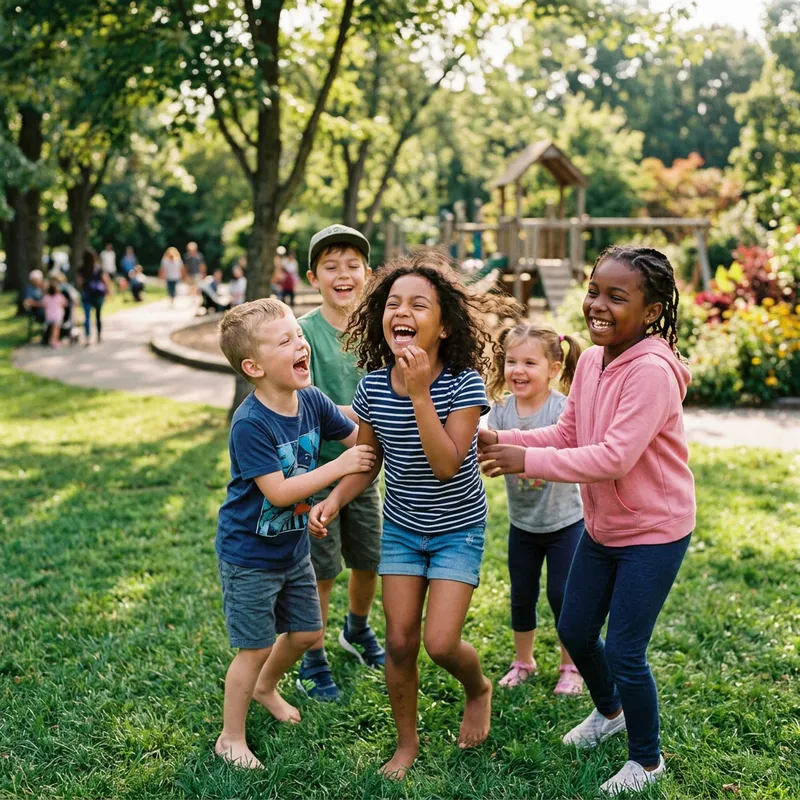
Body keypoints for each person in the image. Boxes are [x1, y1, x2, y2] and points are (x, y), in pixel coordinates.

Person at [479, 246, 695, 797]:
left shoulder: (650, 373)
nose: (597, 305)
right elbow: (570, 435)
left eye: (616, 297)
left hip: (654, 531)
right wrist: (504, 438)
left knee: (625, 649)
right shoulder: (595, 361)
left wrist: (524, 460)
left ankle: (647, 761)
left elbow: (612, 457)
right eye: (594, 290)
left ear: (651, 311)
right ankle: (610, 712)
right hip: (604, 528)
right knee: (575, 629)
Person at [308, 252, 518, 779]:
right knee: (400, 641)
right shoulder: (374, 386)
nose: (403, 310)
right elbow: (367, 459)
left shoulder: (463, 383)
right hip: (402, 528)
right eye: (394, 303)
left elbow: (448, 465)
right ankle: (406, 743)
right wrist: (334, 498)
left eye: (419, 304)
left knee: (440, 643)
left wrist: (421, 392)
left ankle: (479, 688)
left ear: (443, 326)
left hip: (457, 530)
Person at [214, 298, 377, 769]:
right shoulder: (250, 423)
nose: (300, 343)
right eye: (284, 341)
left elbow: (358, 439)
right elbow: (280, 492)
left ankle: (266, 686)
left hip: (291, 549)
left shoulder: (313, 401)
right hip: (248, 553)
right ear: (254, 366)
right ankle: (230, 738)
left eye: (298, 335)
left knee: (307, 631)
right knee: (256, 646)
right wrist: (340, 465)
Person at [297, 225, 384, 701]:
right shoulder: (304, 333)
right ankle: (313, 655)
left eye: (353, 266)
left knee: (369, 560)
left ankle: (356, 629)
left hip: (366, 471)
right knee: (322, 571)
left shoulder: (378, 332)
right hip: (314, 475)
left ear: (367, 274)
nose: (343, 275)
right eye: (331, 267)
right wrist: (357, 413)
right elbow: (304, 400)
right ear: (314, 277)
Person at [485, 323, 585, 696]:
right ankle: (523, 661)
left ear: (554, 369)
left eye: (530, 362)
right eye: (511, 361)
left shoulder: (563, 410)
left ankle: (570, 666)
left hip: (565, 523)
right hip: (522, 524)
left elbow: (570, 452)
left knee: (563, 596)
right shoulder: (500, 412)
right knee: (522, 594)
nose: (518, 370)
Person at [79, 248, 113, 345]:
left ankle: (88, 337)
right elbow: (105, 280)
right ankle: (98, 335)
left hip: (87, 294)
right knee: (98, 316)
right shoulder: (98, 268)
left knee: (87, 317)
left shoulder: (81, 269)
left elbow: (80, 282)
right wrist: (109, 290)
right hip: (98, 294)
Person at [42, 278, 68, 348]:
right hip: (57, 316)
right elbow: (65, 304)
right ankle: (54, 341)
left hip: (49, 316)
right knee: (56, 329)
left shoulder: (46, 297)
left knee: (52, 328)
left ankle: (51, 339)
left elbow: (43, 304)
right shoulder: (59, 297)